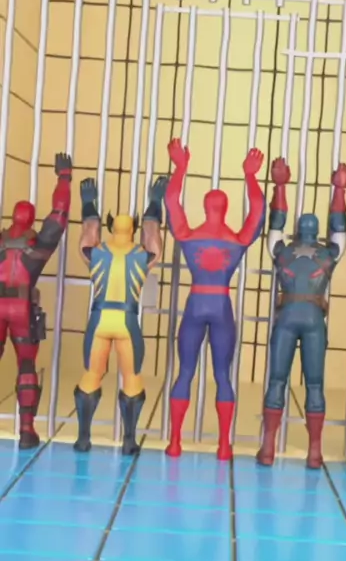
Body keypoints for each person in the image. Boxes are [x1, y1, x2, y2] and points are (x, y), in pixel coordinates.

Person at [164, 138, 266, 460]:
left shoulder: (189, 237)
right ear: (226, 209)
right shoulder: (236, 241)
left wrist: (180, 168)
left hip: (196, 302)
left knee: (185, 372)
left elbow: (170, 201)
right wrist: (250, 176)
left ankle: (175, 442)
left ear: (205, 207)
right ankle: (224, 446)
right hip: (221, 305)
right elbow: (259, 212)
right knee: (223, 375)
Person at [257, 157, 346, 468]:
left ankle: (268, 448)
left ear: (297, 230)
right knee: (314, 384)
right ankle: (314, 452)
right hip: (313, 319)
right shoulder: (328, 254)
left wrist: (280, 185)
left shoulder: (282, 251)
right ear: (316, 231)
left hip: (286, 317)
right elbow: (340, 231)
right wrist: (340, 190)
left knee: (276, 380)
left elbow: (275, 226)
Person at [74, 176, 166, 454]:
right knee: (132, 377)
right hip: (127, 322)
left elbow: (89, 229)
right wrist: (155, 202)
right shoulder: (142, 255)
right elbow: (153, 233)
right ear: (134, 228)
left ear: (111, 225)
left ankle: (83, 438)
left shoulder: (96, 252)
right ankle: (129, 440)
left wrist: (89, 204)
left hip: (100, 319)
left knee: (91, 374)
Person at [0, 152, 72, 448]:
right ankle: (27, 430)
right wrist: (64, 178)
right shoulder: (38, 246)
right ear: (30, 220)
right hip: (22, 307)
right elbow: (59, 215)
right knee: (27, 364)